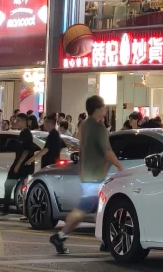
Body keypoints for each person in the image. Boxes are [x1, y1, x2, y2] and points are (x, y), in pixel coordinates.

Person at [51, 95, 119, 255]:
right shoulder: (98, 128)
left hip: (87, 173)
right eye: (103, 108)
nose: (105, 111)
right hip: (95, 175)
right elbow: (108, 152)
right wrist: (120, 167)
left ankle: (106, 241)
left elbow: (83, 149)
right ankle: (60, 235)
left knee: (98, 209)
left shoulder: (85, 125)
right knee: (84, 208)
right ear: (97, 109)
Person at [5, 111, 40, 214]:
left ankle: (12, 208)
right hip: (21, 164)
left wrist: (17, 165)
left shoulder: (26, 134)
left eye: (17, 120)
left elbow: (26, 151)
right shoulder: (22, 133)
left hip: (23, 166)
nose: (15, 122)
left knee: (11, 183)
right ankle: (7, 207)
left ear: (22, 121)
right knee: (11, 184)